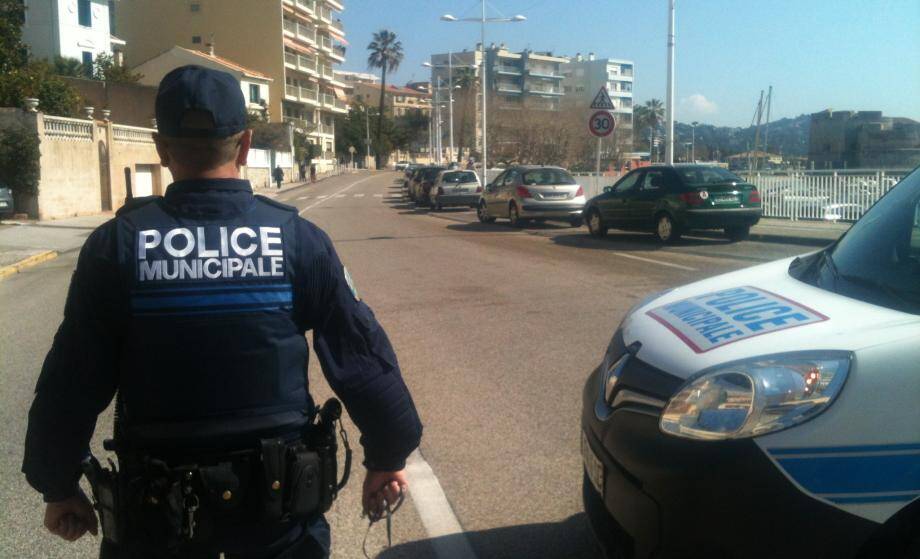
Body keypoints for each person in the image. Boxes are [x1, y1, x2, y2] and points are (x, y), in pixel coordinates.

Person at [21, 65, 422, 558]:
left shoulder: (118, 246)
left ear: (161, 148)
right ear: (247, 144)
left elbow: (73, 378)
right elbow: (361, 358)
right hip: (280, 518)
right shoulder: (298, 241)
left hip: (157, 520)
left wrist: (57, 483)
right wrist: (387, 454)